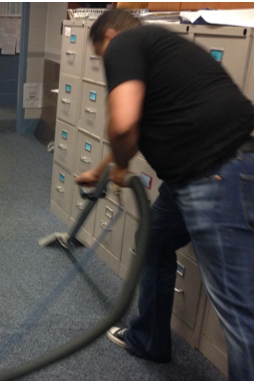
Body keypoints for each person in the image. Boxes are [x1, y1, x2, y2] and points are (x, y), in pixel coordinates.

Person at [75, 9, 254, 381]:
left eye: (99, 55)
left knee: (240, 312)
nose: (103, 64)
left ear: (108, 36)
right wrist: (104, 168)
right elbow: (142, 122)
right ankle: (150, 339)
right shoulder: (163, 46)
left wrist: (122, 168)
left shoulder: (123, 43)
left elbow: (123, 124)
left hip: (217, 174)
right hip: (202, 172)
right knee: (154, 240)